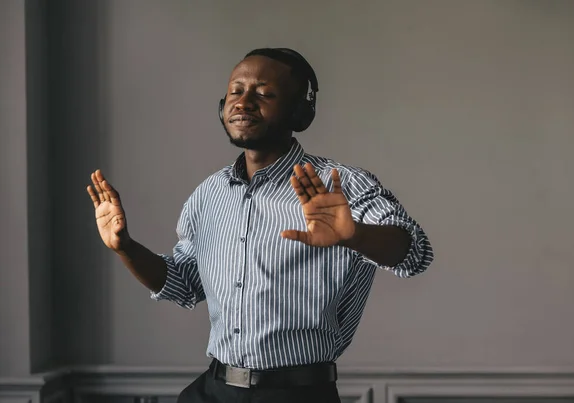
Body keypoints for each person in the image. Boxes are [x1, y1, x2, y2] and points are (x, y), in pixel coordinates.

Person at [87, 48, 434, 403]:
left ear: (299, 112)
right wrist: (125, 247)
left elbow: (416, 252)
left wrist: (354, 235)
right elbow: (183, 283)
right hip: (214, 389)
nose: (244, 102)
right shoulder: (209, 193)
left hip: (297, 394)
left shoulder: (340, 184)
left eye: (264, 93)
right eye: (236, 91)